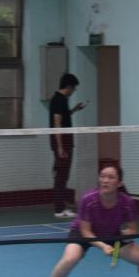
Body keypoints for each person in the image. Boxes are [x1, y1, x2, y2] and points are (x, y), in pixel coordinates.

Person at [49, 73, 87, 219]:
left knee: (64, 175)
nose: (74, 91)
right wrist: (60, 147)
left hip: (65, 140)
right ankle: (58, 209)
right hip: (62, 141)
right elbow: (57, 123)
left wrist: (75, 109)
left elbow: (63, 117)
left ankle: (62, 207)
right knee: (61, 175)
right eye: (74, 88)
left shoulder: (62, 100)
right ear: (69, 86)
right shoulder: (58, 99)